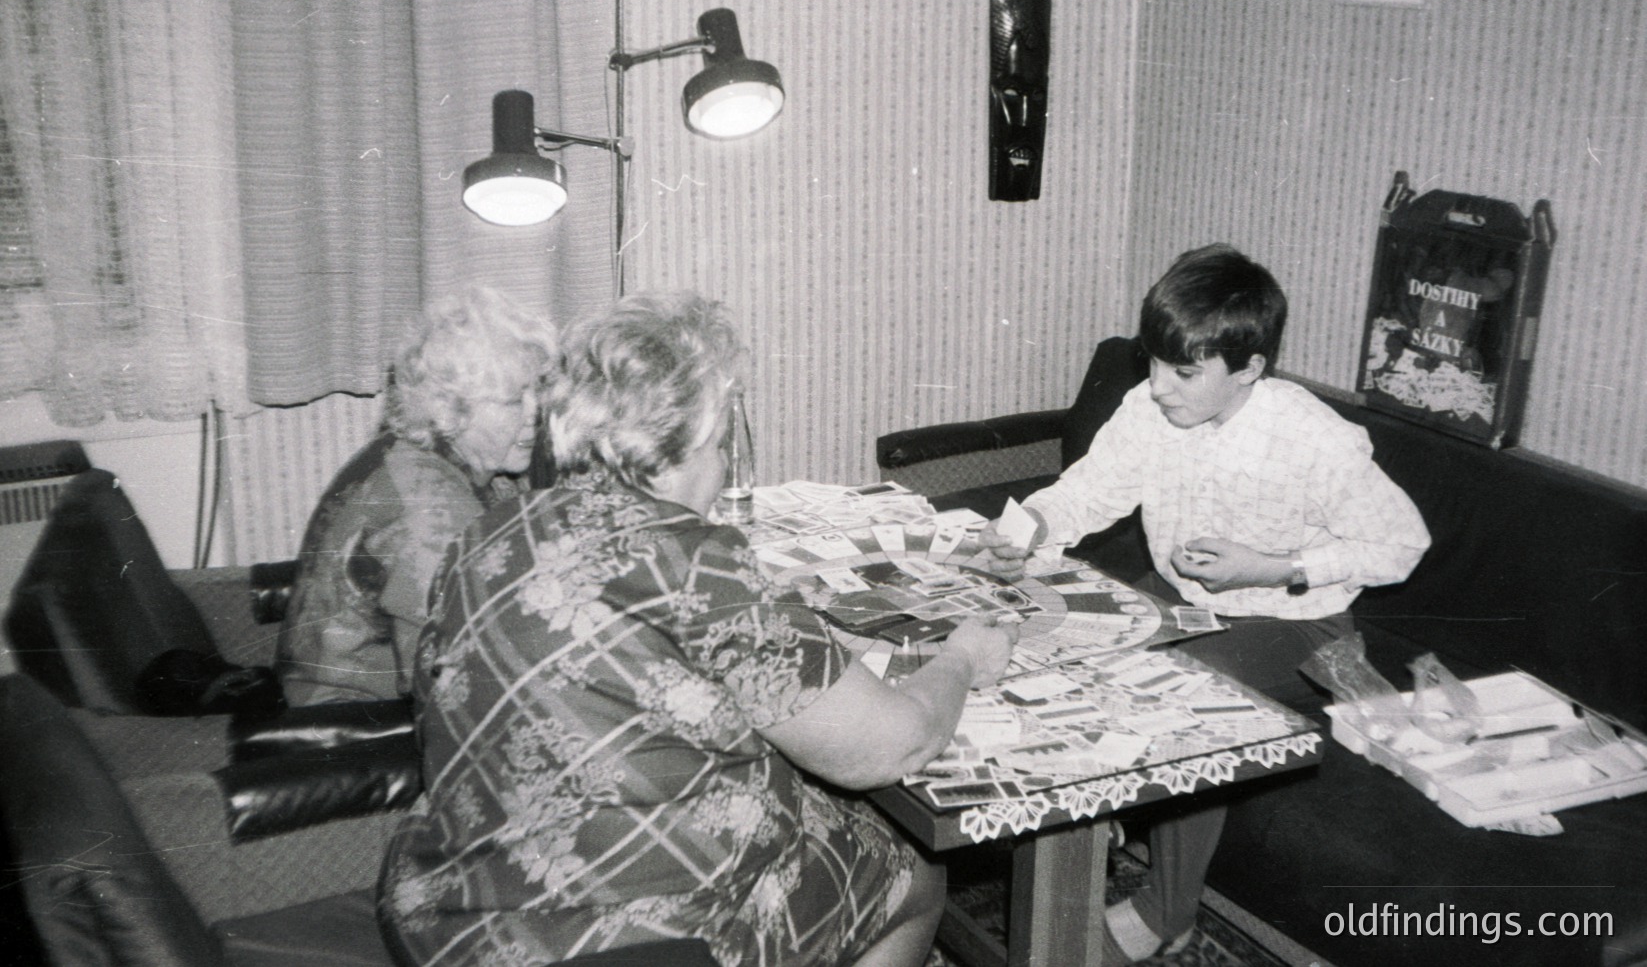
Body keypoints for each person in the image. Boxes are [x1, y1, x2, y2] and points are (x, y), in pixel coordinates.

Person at [378, 292, 1017, 967]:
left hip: (454, 913)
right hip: (634, 942)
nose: (722, 466)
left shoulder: (485, 531)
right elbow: (889, 746)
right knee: (912, 869)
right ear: (675, 452)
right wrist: (962, 659)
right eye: (717, 445)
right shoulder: (694, 560)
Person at [979, 244, 1430, 963]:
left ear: (1249, 369)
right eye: (1152, 362)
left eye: (1183, 372)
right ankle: (1100, 824)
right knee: (1054, 650)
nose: (1158, 386)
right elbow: (1089, 490)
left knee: (1183, 701)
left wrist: (1278, 567)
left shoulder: (1311, 436)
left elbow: (1402, 540)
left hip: (1299, 620)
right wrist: (1028, 529)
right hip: (1185, 600)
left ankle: (1168, 913)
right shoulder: (1148, 409)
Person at [275, 285, 559, 706]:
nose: (536, 413)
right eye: (515, 399)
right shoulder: (430, 515)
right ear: (450, 409)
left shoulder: (423, 457)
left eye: (538, 390)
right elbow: (447, 687)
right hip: (355, 724)